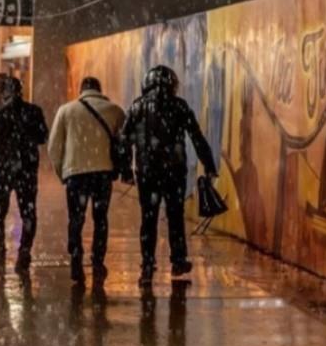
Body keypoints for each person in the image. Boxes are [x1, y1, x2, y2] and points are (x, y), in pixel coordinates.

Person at [120, 65, 218, 286]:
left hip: (147, 172)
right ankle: (178, 261)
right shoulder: (179, 106)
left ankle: (147, 265)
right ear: (172, 84)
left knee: (148, 218)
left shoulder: (137, 107)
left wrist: (126, 170)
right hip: (174, 171)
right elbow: (197, 138)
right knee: (175, 216)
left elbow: (124, 141)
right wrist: (209, 165)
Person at [48, 76, 127, 284]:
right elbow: (125, 145)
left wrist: (62, 173)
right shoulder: (115, 111)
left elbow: (54, 148)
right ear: (99, 90)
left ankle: (76, 259)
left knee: (76, 218)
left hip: (76, 175)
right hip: (103, 174)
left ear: (81, 90)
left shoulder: (66, 110)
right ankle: (98, 261)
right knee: (101, 219)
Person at [0, 76, 48, 272]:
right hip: (26, 170)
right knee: (28, 212)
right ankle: (24, 251)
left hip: (1, 170)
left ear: (3, 93)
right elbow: (43, 137)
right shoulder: (34, 112)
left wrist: (1, 145)